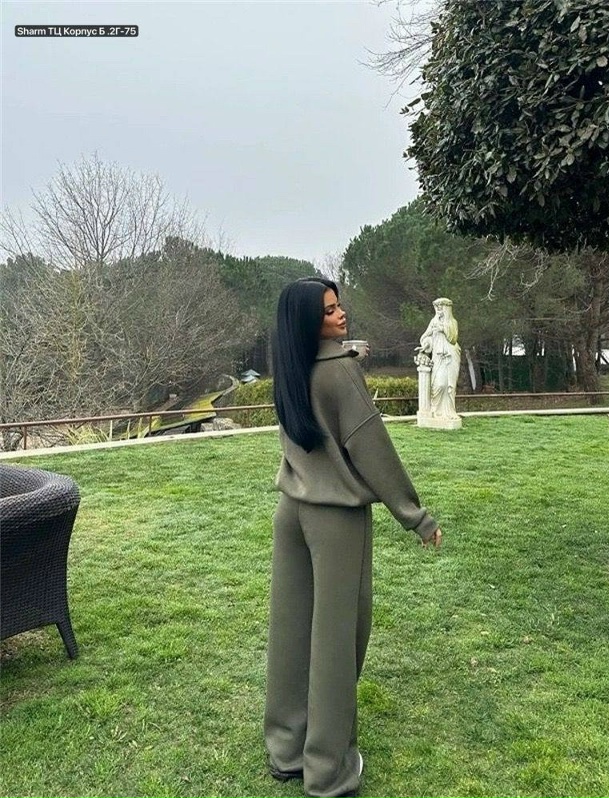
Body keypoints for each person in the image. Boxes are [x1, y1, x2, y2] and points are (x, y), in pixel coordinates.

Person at [264, 277, 442, 798]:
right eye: (328, 311)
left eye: (338, 305)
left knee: (292, 634)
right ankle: (328, 771)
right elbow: (372, 448)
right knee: (337, 641)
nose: (340, 315)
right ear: (308, 321)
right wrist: (416, 516)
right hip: (335, 520)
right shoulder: (339, 370)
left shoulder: (290, 369)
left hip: (291, 511)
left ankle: (286, 750)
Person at [418, 298, 461, 419]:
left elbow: (453, 339)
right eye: (436, 307)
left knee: (449, 386)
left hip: (451, 356)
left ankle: (449, 412)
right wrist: (426, 344)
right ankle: (436, 411)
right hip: (438, 357)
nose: (438, 310)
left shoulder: (453, 322)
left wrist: (443, 329)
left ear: (447, 309)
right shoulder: (433, 321)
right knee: (439, 385)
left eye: (440, 307)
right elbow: (425, 337)